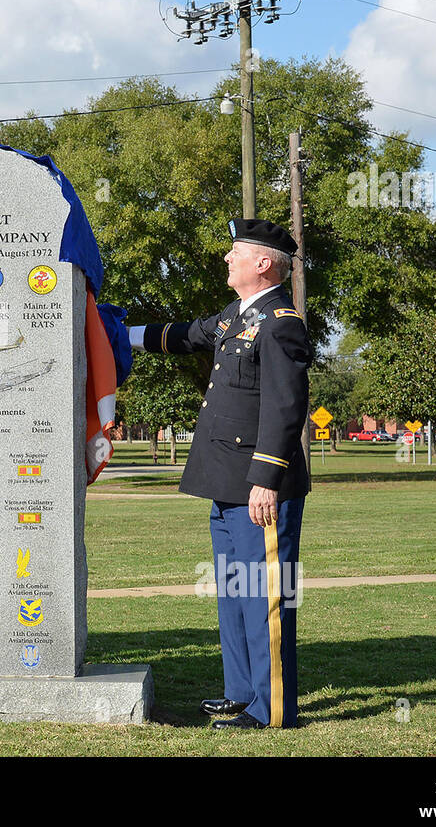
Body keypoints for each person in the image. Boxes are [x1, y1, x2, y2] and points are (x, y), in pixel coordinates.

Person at [129, 218, 312, 729]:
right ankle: (239, 695)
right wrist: (114, 331)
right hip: (227, 482)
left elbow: (285, 407)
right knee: (234, 593)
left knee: (265, 598)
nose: (226, 259)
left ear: (263, 263)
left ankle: (271, 709)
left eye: (236, 252)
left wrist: (265, 479)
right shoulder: (238, 314)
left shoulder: (281, 322)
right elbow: (184, 337)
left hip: (259, 487)